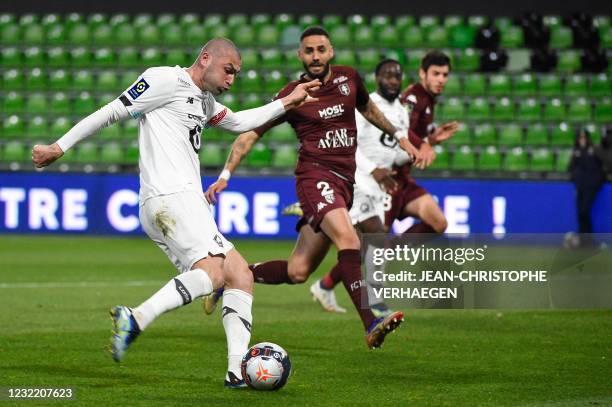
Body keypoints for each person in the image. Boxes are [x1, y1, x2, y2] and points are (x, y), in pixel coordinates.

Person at [31, 38, 319, 387]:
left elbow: (241, 122)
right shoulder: (165, 80)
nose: (231, 80)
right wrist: (58, 147)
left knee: (239, 273)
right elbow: (111, 111)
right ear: (205, 58)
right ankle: (136, 317)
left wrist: (287, 102)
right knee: (214, 273)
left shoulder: (205, 100)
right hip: (171, 197)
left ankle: (234, 371)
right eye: (228, 70)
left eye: (236, 75)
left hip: (181, 202)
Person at [204, 27, 421, 349]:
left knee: (298, 271)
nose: (315, 56)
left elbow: (367, 109)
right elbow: (249, 134)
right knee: (350, 239)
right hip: (315, 178)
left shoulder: (349, 79)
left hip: (344, 183)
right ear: (300, 55)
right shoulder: (293, 94)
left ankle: (229, 276)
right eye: (309, 51)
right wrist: (225, 175)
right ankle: (371, 322)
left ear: (331, 51)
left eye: (321, 49)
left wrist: (400, 136)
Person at [310, 51, 459, 315]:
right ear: (422, 74)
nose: (441, 80)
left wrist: (429, 142)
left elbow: (399, 146)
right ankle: (342, 289)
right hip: (375, 180)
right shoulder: (411, 100)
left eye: (445, 75)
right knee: (366, 243)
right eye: (436, 73)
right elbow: (351, 142)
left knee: (434, 223)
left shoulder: (407, 107)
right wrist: (422, 144)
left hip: (397, 178)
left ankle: (342, 286)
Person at [569, 129, 605, 246]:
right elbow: (571, 167)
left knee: (585, 210)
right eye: (580, 137)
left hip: (591, 186)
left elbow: (604, 162)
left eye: (584, 137)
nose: (582, 140)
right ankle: (582, 238)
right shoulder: (576, 151)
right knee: (580, 212)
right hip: (580, 186)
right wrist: (575, 177)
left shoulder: (594, 149)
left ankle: (588, 238)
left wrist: (598, 181)